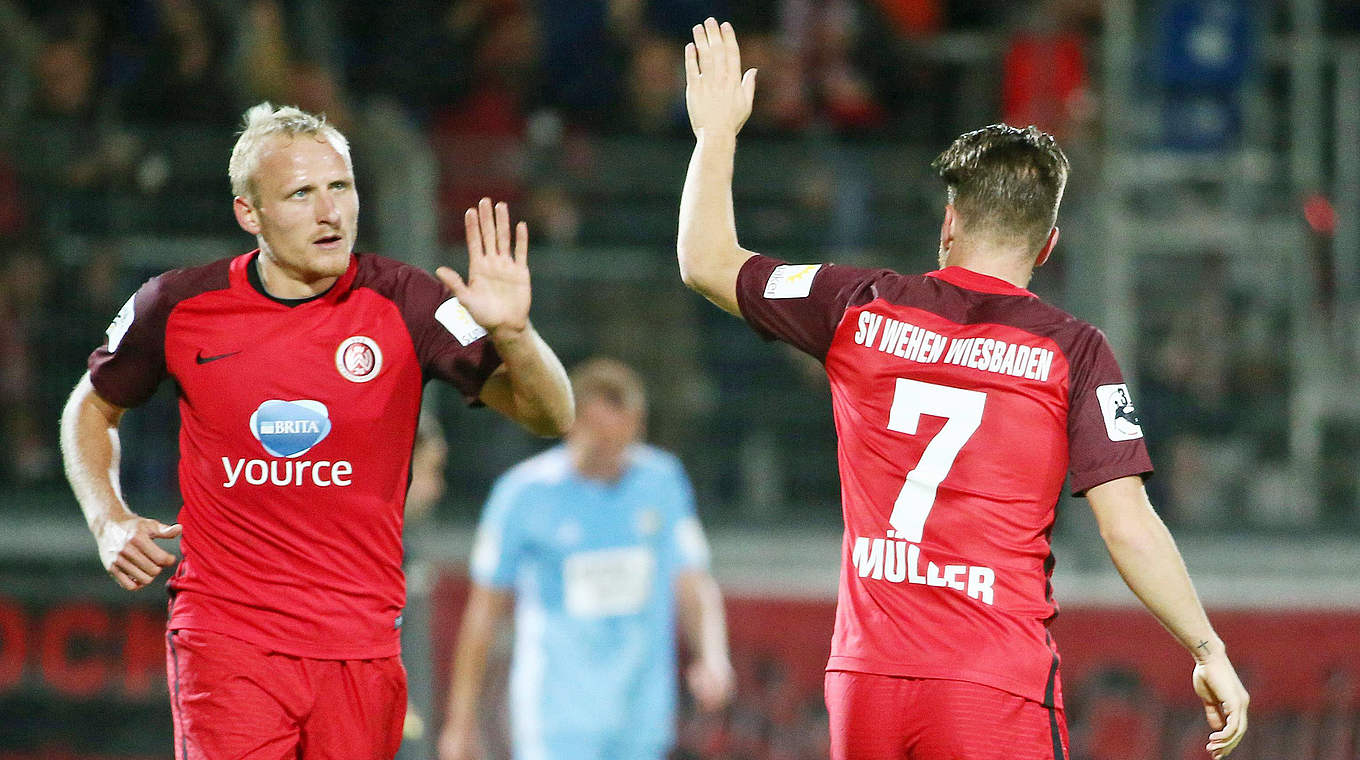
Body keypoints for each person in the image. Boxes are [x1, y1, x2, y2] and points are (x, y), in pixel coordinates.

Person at [676, 18, 1248, 760]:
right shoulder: (1072, 351)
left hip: (866, 679)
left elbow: (704, 260)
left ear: (949, 222)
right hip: (992, 681)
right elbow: (1127, 525)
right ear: (1047, 245)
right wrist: (1208, 648)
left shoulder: (860, 305)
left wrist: (715, 132)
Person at [58, 102, 574, 760]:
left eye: (341, 187)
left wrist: (516, 333)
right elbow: (90, 407)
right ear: (251, 213)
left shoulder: (408, 302)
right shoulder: (178, 305)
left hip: (361, 649)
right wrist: (107, 518)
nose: (330, 212)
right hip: (229, 640)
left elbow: (552, 415)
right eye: (301, 194)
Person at [437, 357, 735, 760]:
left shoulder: (662, 482)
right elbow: (484, 612)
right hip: (556, 716)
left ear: (637, 426)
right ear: (572, 424)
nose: (612, 452)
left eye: (623, 438)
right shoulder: (523, 494)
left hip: (641, 713)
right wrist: (460, 722)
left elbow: (692, 581)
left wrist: (712, 655)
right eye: (600, 438)